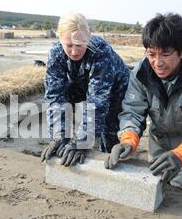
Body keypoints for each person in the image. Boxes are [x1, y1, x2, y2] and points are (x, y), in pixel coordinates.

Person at [105, 13, 182, 189]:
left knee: (179, 189)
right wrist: (128, 140)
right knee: (154, 183)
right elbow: (132, 110)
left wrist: (181, 155)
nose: (157, 63)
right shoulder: (142, 72)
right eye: (151, 54)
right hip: (159, 138)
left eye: (165, 54)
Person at [40, 13, 130, 166]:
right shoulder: (56, 54)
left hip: (117, 91)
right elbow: (54, 96)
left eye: (80, 45)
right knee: (65, 118)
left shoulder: (101, 53)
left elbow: (97, 102)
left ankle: (108, 161)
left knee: (109, 135)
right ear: (60, 38)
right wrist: (59, 135)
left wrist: (81, 143)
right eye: (69, 45)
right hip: (82, 85)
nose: (74, 51)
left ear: (88, 36)